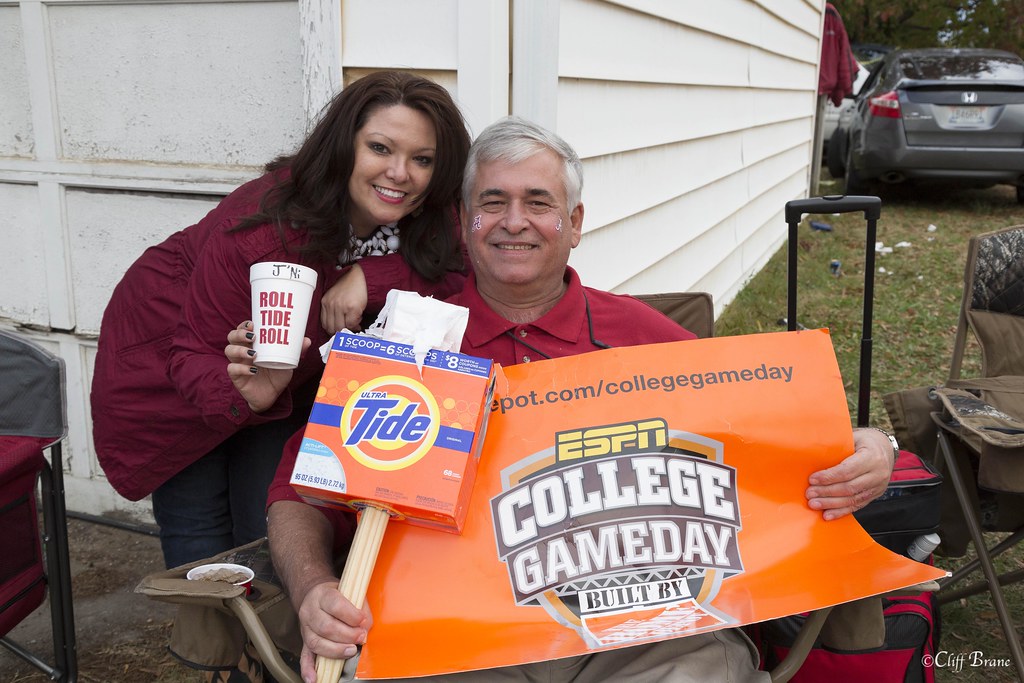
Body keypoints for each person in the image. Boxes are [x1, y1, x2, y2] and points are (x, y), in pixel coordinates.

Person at [234, 116, 897, 682]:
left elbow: (781, 449)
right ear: (464, 222)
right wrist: (315, 587)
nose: (514, 221)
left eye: (539, 202)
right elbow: (298, 494)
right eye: (493, 201)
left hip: (647, 630)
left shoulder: (653, 344)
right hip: (457, 637)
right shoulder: (405, 344)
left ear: (574, 223)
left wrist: (871, 447)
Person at [91, 70, 472, 570]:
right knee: (200, 520)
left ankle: (271, 644)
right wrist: (246, 393)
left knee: (271, 521)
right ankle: (213, 646)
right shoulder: (261, 231)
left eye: (422, 159)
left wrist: (371, 277)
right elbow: (196, 355)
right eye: (380, 148)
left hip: (279, 380)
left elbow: (460, 272)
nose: (400, 173)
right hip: (170, 367)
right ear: (344, 145)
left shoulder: (429, 213)